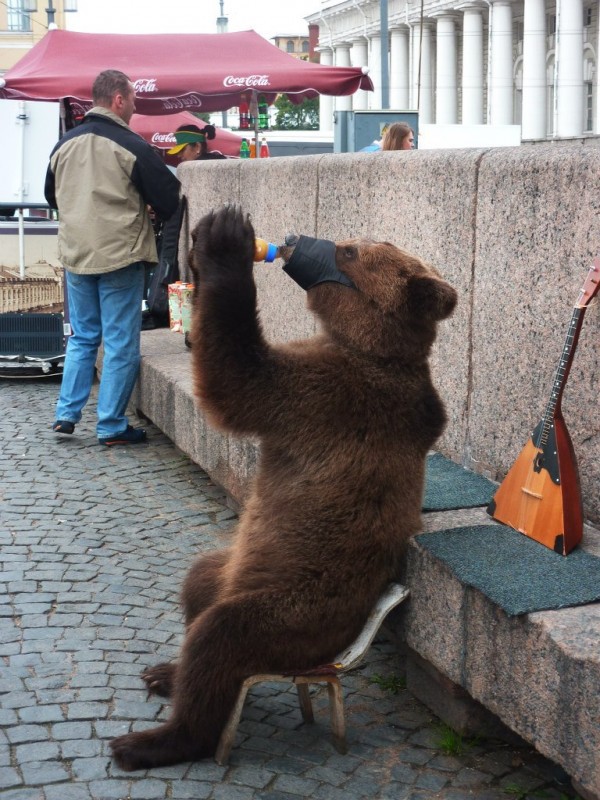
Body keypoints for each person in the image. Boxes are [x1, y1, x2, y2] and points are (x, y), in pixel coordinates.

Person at [45, 69, 180, 446]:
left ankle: (65, 415)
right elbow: (170, 196)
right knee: (121, 340)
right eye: (134, 99)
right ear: (118, 99)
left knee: (84, 336)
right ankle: (110, 425)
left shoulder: (63, 145)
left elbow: (50, 197)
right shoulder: (130, 145)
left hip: (76, 253)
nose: (136, 106)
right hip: (119, 254)